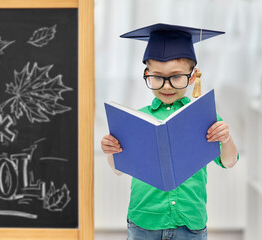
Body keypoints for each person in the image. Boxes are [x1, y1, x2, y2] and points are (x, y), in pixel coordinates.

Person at [100, 23, 239, 240]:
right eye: (157, 77)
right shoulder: (136, 119)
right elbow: (118, 169)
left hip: (190, 222)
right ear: (147, 75)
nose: (166, 86)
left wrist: (226, 138)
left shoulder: (204, 117)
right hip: (144, 222)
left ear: (192, 77)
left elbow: (229, 162)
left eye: (175, 77)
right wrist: (112, 150)